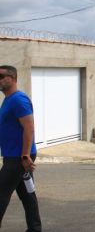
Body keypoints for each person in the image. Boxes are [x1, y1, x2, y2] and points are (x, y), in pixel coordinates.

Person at [0, 65, 42, 231]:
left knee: (1, 194)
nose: (0, 80)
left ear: (13, 77)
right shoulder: (8, 100)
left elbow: (29, 127)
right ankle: (35, 228)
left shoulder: (18, 99)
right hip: (16, 155)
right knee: (27, 194)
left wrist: (25, 155)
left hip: (19, 157)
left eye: (2, 76)